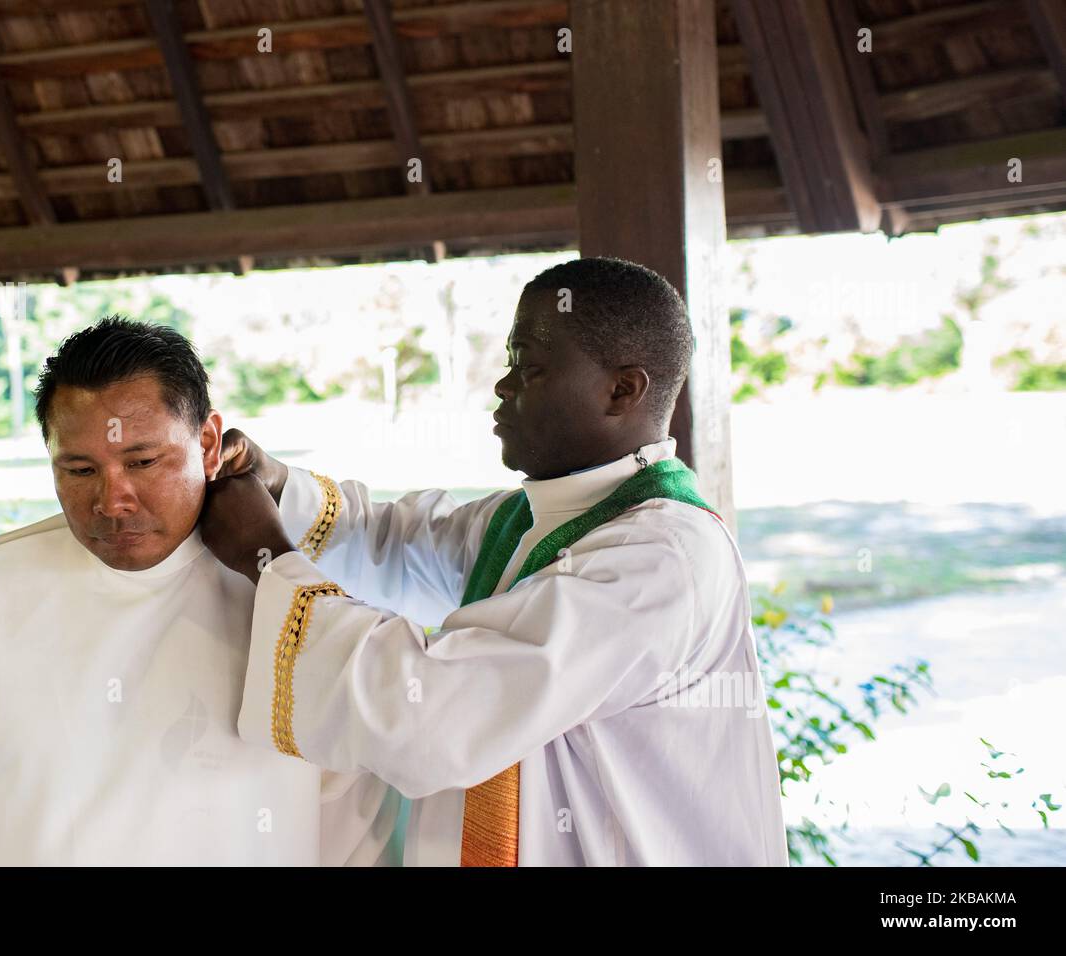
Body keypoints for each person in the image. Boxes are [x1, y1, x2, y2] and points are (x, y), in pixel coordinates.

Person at [200, 257, 788, 866]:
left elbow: (433, 711)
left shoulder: (662, 558)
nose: (503, 387)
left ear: (623, 390)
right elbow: (399, 544)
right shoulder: (533, 518)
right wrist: (279, 487)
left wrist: (266, 559)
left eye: (528, 367)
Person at [0, 317, 396, 866]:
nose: (113, 501)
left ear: (207, 443)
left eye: (142, 462)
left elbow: (353, 823)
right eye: (80, 469)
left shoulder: (303, 590)